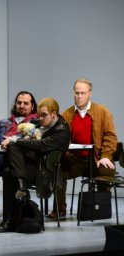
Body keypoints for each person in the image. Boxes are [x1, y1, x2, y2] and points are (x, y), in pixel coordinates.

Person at [0, 98, 70, 233]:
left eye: (43, 115)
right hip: (30, 164)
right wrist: (20, 138)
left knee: (9, 171)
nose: (40, 118)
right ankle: (21, 189)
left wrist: (16, 140)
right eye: (38, 115)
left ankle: (9, 220)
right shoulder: (37, 122)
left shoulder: (62, 130)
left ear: (54, 114)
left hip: (45, 170)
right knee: (9, 167)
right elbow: (20, 135)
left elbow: (41, 146)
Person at [49, 78, 117, 218]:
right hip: (75, 160)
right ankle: (59, 208)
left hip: (96, 158)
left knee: (107, 170)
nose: (79, 96)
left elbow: (110, 137)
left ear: (90, 94)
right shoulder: (66, 115)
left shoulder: (102, 111)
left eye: (83, 93)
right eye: (77, 93)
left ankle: (100, 208)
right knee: (57, 169)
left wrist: (106, 156)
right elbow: (60, 138)